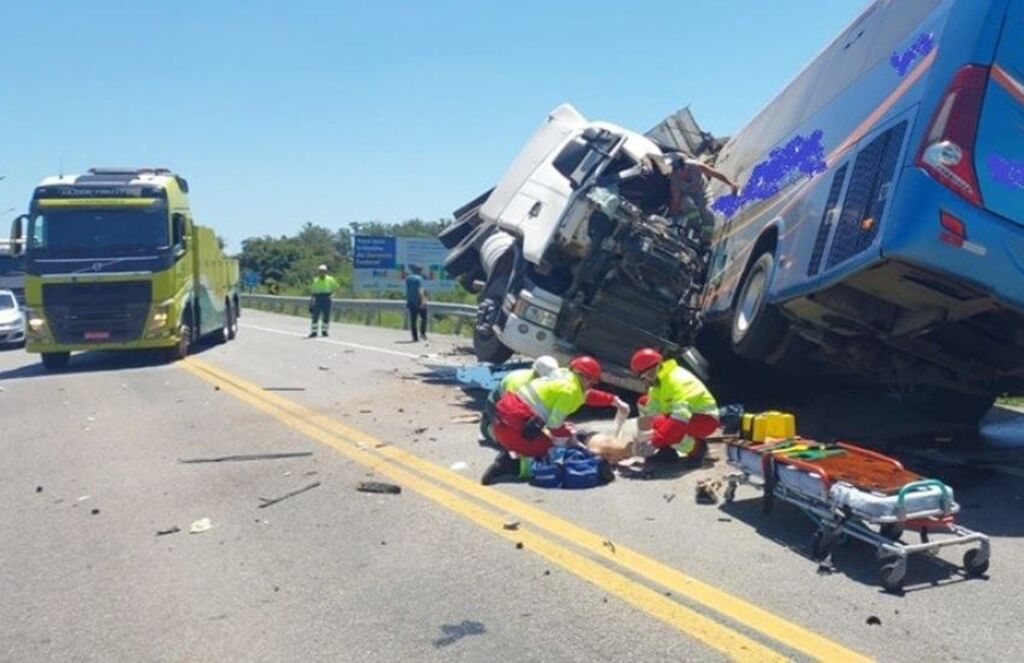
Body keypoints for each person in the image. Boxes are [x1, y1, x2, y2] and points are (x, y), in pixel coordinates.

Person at [481, 355, 630, 485]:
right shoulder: (569, 390)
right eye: (592, 382)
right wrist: (574, 443)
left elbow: (586, 396)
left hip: (505, 419)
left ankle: (516, 452)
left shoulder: (563, 375)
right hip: (515, 426)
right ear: (584, 377)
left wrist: (614, 401)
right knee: (551, 456)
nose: (592, 385)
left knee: (552, 444)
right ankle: (510, 465)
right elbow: (555, 425)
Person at [629, 347, 719, 467]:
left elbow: (679, 419)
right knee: (644, 403)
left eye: (643, 377)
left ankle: (697, 449)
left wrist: (655, 442)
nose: (644, 381)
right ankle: (667, 452)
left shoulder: (678, 380)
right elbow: (650, 412)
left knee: (664, 426)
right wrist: (643, 438)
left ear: (651, 370)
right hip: (683, 418)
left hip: (705, 419)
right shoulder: (657, 384)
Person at [480, 355, 559, 445]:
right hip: (497, 405)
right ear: (537, 373)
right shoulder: (518, 381)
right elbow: (509, 408)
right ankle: (489, 428)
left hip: (522, 407)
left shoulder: (546, 383)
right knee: (513, 441)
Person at [667, 153, 739, 248]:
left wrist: (731, 184)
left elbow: (714, 173)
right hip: (688, 195)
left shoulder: (696, 166)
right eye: (677, 171)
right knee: (685, 203)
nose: (680, 174)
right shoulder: (674, 179)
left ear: (686, 167)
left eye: (681, 170)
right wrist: (673, 217)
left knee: (708, 212)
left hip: (702, 191)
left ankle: (705, 241)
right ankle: (696, 226)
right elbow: (676, 198)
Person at [308, 264, 339, 338]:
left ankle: (324, 331)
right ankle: (314, 332)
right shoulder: (316, 280)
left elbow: (336, 288)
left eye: (323, 271)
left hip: (327, 298)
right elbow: (312, 291)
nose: (322, 273)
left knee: (326, 316)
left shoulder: (330, 279)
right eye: (320, 271)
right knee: (315, 316)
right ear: (318, 272)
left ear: (326, 272)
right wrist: (311, 301)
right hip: (318, 298)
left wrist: (333, 295)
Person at [405, 265, 428, 342]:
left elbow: (408, 290)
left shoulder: (408, 279)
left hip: (411, 302)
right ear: (419, 271)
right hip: (419, 301)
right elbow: (421, 290)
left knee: (413, 320)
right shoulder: (419, 279)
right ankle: (422, 333)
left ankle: (415, 337)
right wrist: (423, 301)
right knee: (424, 318)